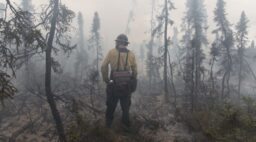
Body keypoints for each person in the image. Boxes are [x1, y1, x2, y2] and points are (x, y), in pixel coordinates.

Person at [101, 34, 137, 128]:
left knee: (111, 106)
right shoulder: (131, 54)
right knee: (125, 108)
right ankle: (126, 127)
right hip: (127, 85)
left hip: (113, 85)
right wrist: (133, 80)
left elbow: (104, 66)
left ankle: (108, 127)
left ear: (117, 42)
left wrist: (106, 80)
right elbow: (135, 70)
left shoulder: (111, 52)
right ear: (126, 43)